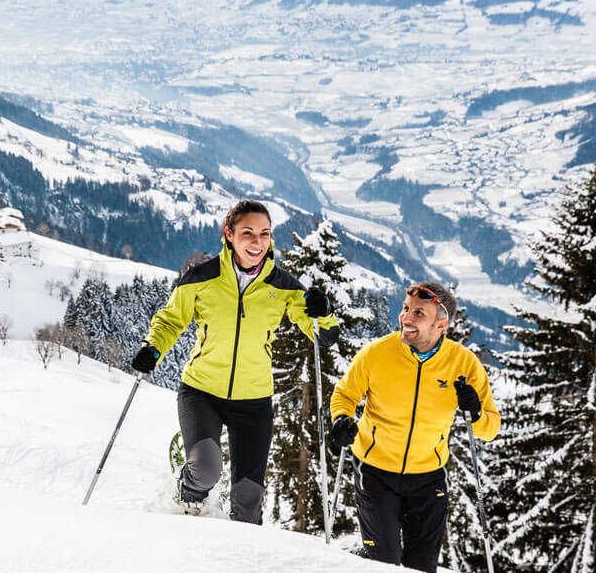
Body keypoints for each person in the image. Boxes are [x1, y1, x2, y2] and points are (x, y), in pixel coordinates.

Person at [130, 199, 341, 524]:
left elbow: (322, 336)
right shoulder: (202, 277)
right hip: (201, 392)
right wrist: (152, 348)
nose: (257, 243)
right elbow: (171, 321)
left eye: (265, 234)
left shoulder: (284, 287)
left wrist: (323, 311)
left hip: (254, 401)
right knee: (205, 470)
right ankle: (183, 486)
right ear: (229, 234)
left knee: (247, 505)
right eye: (248, 233)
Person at [329, 281, 500, 572]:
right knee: (384, 562)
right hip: (374, 471)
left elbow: (490, 428)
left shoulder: (464, 364)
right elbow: (344, 395)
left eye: (419, 314)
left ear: (441, 324)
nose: (406, 318)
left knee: (421, 566)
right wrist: (341, 419)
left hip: (428, 478)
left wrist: (474, 412)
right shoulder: (377, 354)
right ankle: (371, 554)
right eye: (406, 309)